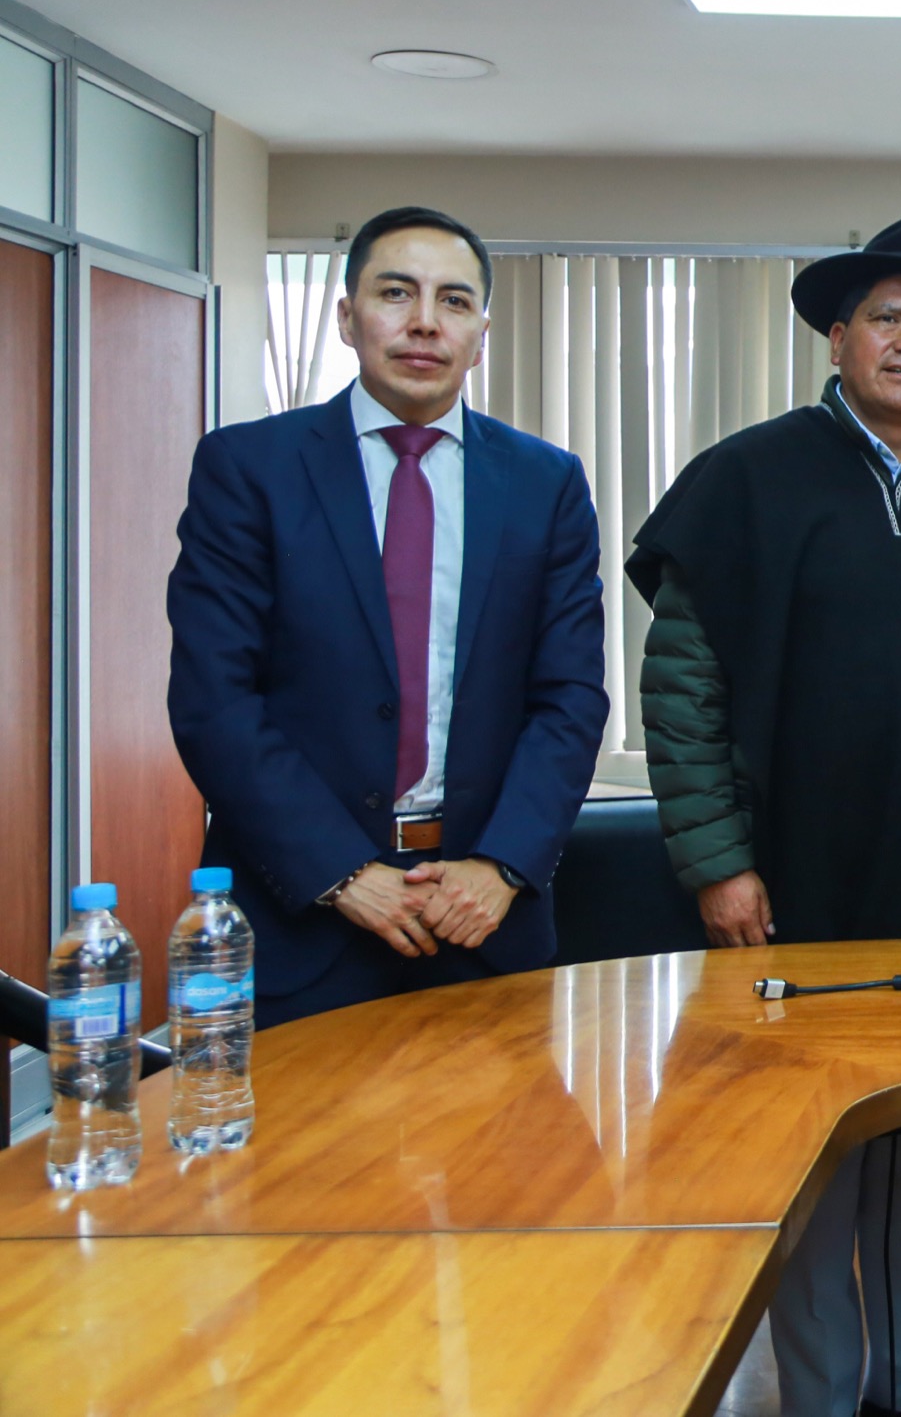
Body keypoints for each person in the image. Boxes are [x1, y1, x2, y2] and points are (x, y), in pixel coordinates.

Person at [626, 213, 901, 1417]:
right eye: (888, 317)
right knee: (813, 1142)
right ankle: (823, 1391)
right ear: (836, 336)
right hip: (793, 884)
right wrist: (720, 863)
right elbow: (680, 690)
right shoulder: (743, 480)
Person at [167, 205, 608, 1025]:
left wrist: (503, 868)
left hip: (483, 922)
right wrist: (340, 873)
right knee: (299, 1156)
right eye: (396, 293)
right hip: (301, 918)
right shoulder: (250, 469)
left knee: (502, 1154)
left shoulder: (546, 484)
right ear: (347, 316)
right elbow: (214, 700)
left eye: (452, 301)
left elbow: (571, 698)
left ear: (480, 329)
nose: (423, 324)